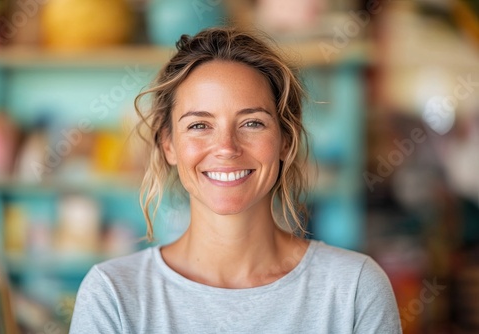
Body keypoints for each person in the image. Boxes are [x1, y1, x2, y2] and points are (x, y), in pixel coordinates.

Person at [69, 27, 402, 333]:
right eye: (199, 125)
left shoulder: (354, 289)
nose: (226, 148)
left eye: (252, 123)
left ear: (286, 140)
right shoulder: (112, 295)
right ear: (168, 143)